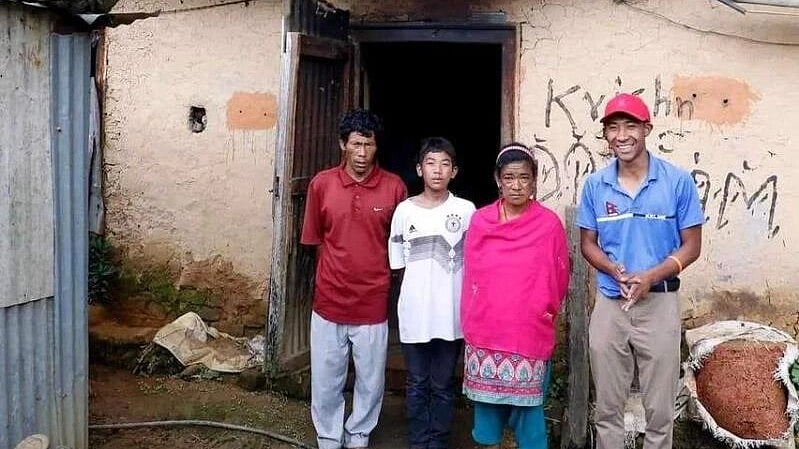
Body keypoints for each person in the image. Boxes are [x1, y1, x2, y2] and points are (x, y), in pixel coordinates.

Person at [576, 93, 703, 449]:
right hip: (610, 304)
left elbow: (692, 246)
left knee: (660, 411)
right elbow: (589, 244)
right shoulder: (595, 185)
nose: (621, 135)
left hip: (660, 305)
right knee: (607, 409)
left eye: (630, 125)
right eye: (612, 127)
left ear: (647, 129)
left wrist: (651, 276)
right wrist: (614, 269)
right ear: (605, 135)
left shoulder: (677, 182)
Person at [300, 109, 408, 449]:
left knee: (371, 379)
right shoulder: (322, 184)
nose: (362, 153)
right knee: (326, 378)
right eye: (356, 144)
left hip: (373, 300)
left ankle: (359, 432)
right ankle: (329, 435)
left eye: (369, 144)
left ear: (377, 147)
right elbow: (314, 241)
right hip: (329, 299)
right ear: (342, 145)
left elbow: (402, 246)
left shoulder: (394, 187)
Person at [460, 143, 570, 449]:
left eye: (524, 177)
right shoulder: (481, 222)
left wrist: (540, 309)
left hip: (528, 332)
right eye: (509, 177)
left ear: (534, 181)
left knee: (529, 413)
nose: (517, 185)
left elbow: (559, 277)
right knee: (487, 414)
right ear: (498, 179)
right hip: (486, 331)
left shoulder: (548, 225)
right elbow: (472, 277)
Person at [388, 137, 476, 449]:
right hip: (414, 315)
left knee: (442, 384)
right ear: (419, 169)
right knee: (416, 383)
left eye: (444, 164)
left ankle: (438, 441)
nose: (437, 171)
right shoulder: (404, 211)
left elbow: (475, 263)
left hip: (451, 317)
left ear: (454, 171)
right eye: (430, 163)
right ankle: (417, 440)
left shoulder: (466, 211)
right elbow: (397, 266)